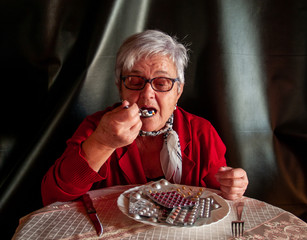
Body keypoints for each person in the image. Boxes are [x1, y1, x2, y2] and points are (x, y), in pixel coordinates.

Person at [41, 30, 248, 206]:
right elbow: (53, 198)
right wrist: (102, 142)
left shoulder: (201, 132)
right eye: (134, 80)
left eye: (162, 82)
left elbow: (217, 201)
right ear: (120, 87)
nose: (147, 93)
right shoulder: (97, 127)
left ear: (178, 90)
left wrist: (232, 185)